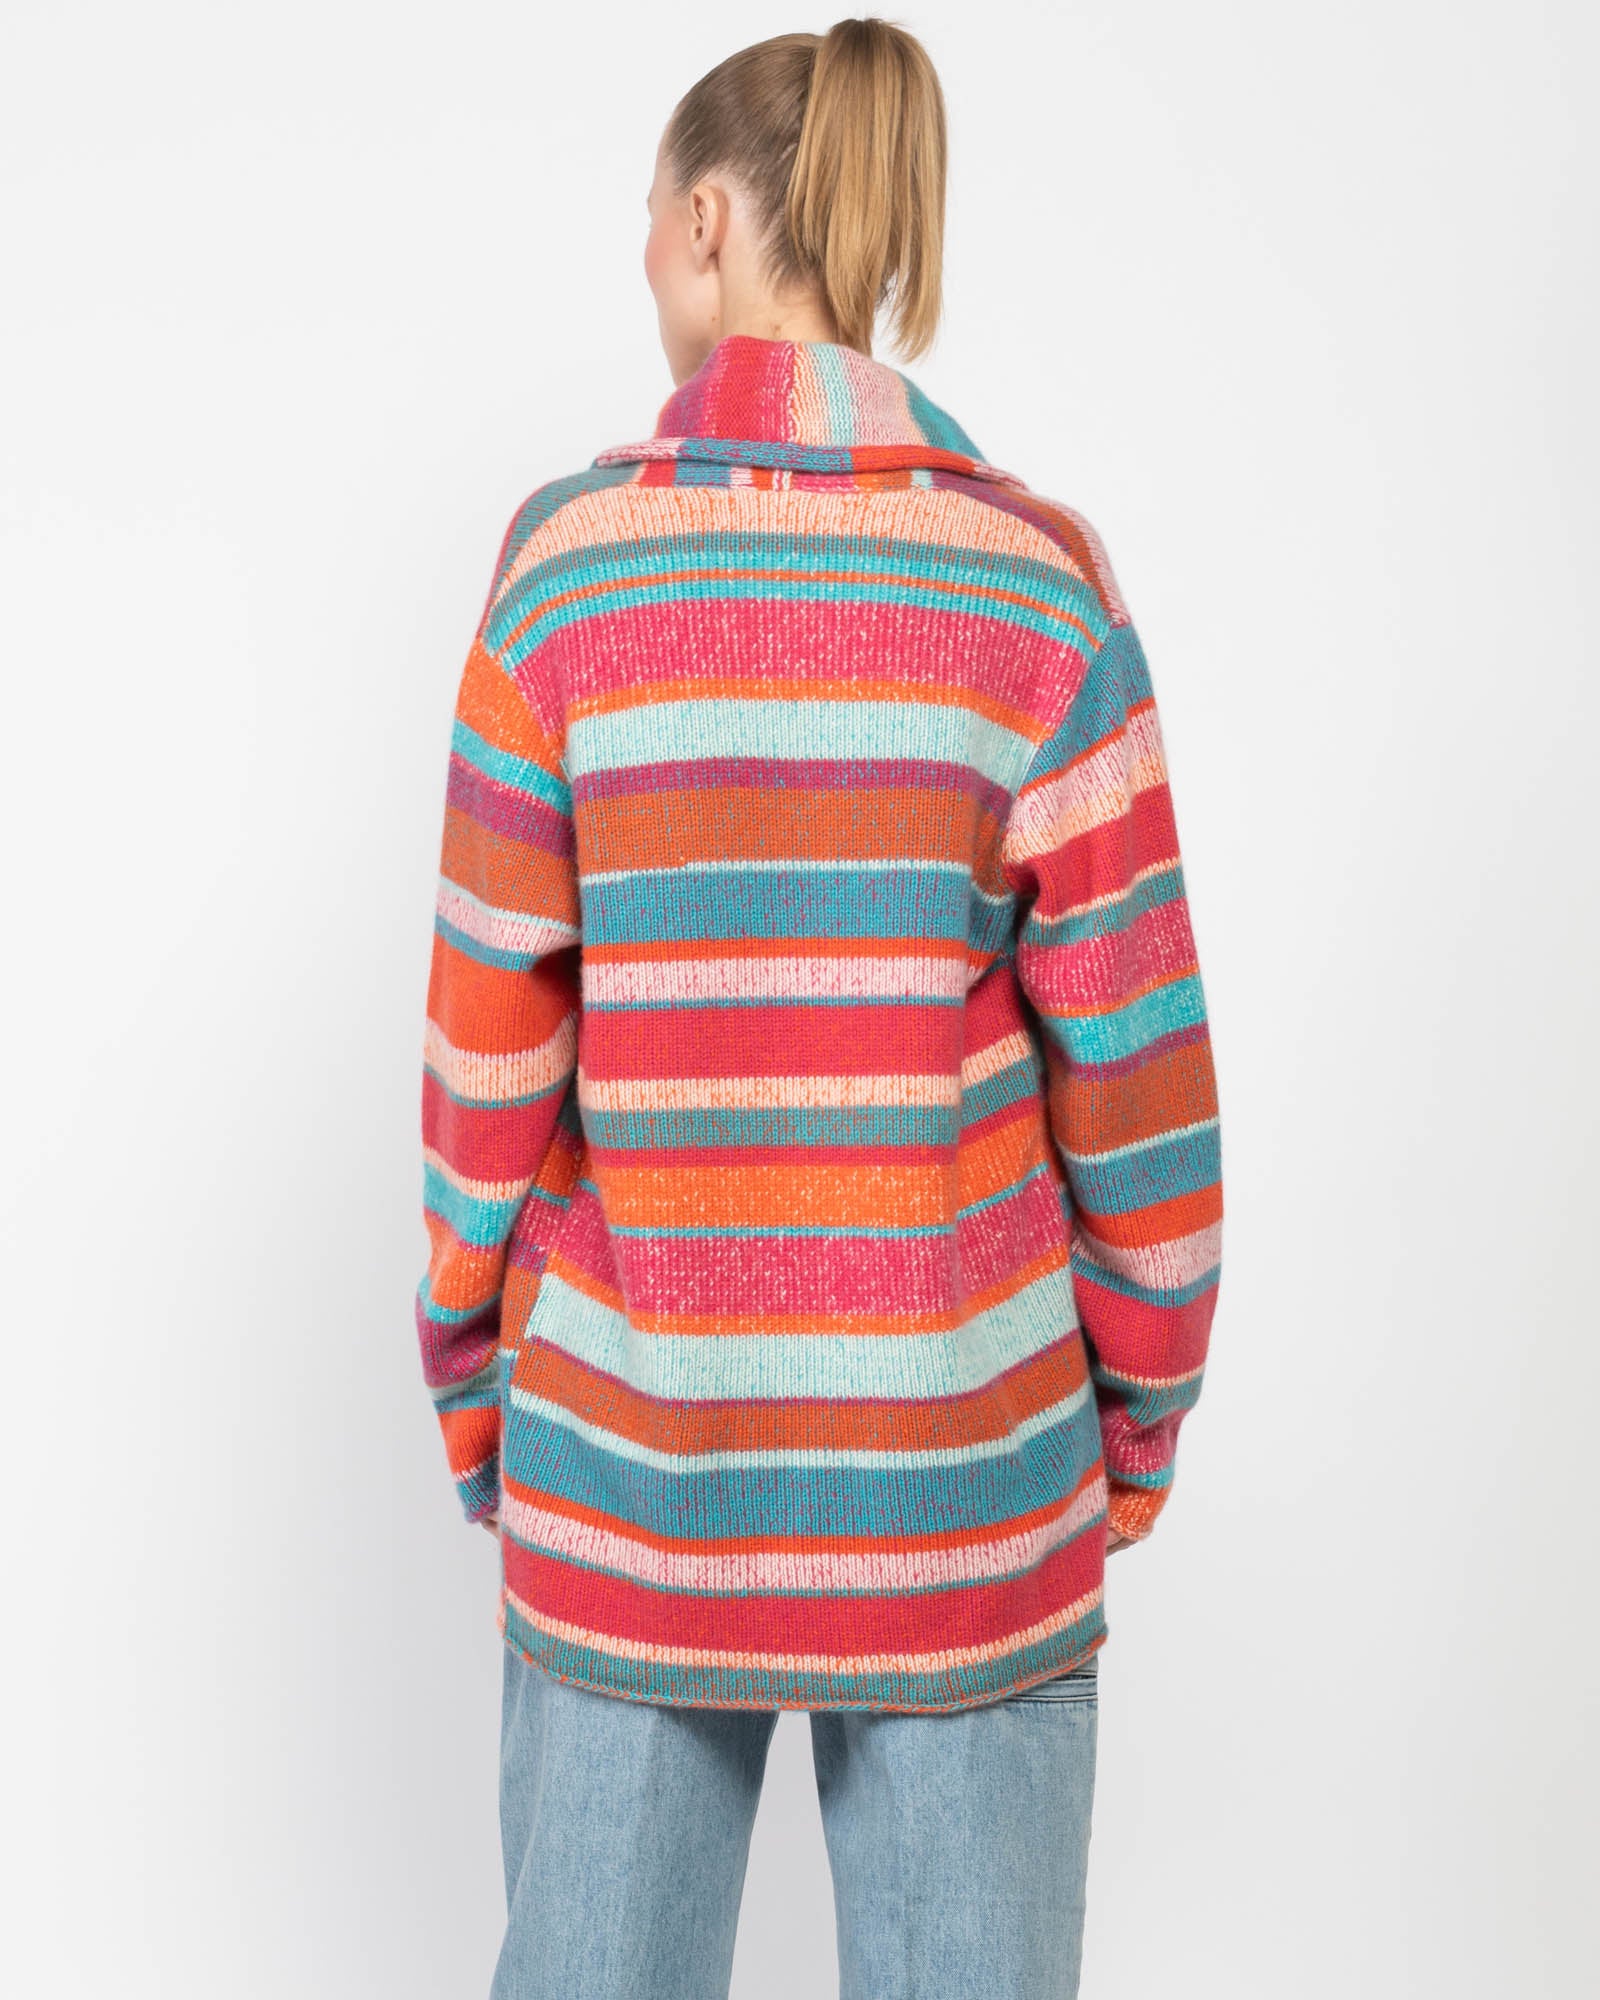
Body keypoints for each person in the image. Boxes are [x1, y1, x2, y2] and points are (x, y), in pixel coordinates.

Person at [413, 18, 1223, 1999]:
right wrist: (1129, 1421)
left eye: (647, 218)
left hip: (627, 1474)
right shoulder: (1038, 595)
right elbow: (1138, 1081)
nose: (640, 258)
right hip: (966, 1479)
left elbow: (484, 1068)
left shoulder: (565, 583)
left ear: (707, 221)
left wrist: (481, 1388)